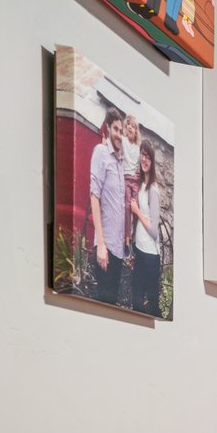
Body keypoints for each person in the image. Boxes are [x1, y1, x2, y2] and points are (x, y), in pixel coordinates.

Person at [85, 108, 130, 306]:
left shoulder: (120, 164)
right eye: (116, 129)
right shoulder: (101, 152)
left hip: (118, 251)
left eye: (122, 131)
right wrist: (101, 245)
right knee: (103, 303)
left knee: (112, 305)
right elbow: (94, 196)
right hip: (106, 247)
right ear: (108, 129)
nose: (119, 134)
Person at [127, 141, 163, 317]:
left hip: (150, 255)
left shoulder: (153, 191)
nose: (144, 159)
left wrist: (137, 212)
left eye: (148, 156)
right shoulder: (139, 186)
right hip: (139, 251)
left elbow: (154, 231)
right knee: (136, 301)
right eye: (142, 155)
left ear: (152, 161)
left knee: (152, 305)